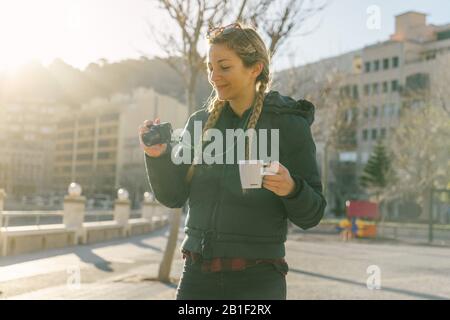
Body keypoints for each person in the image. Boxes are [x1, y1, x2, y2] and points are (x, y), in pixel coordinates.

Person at [139, 22, 326, 300]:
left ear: (255, 68)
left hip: (259, 279)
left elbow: (313, 213)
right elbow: (174, 196)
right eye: (211, 67)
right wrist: (157, 158)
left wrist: (291, 188)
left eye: (224, 67)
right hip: (197, 273)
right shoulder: (199, 124)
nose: (214, 76)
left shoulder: (288, 123)